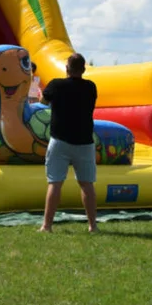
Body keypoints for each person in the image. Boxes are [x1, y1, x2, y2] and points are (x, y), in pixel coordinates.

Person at [38, 53, 98, 233]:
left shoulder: (56, 85)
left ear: (67, 69)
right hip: (85, 141)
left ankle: (47, 226)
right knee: (87, 184)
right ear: (84, 69)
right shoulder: (90, 87)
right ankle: (92, 226)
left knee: (55, 183)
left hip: (60, 141)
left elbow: (43, 101)